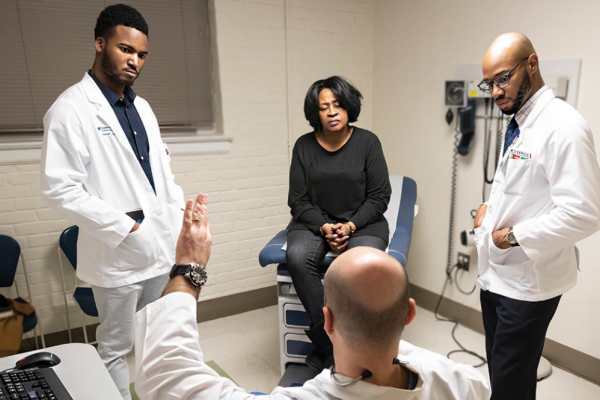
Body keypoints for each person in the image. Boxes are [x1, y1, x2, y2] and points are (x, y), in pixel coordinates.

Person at [133, 193, 491, 399]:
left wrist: (188, 269)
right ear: (410, 314)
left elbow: (167, 376)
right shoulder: (461, 383)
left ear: (327, 319)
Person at [40, 4, 185, 399]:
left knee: (158, 338)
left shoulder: (143, 108)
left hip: (159, 248)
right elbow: (61, 190)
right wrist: (127, 226)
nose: (134, 61)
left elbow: (162, 177)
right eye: (125, 50)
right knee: (116, 348)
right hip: (116, 254)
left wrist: (180, 221)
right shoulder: (70, 110)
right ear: (100, 44)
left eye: (141, 54)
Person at [474, 32, 600, 400]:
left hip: (527, 285)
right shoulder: (520, 121)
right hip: (497, 276)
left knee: (510, 384)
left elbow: (585, 213)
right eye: (489, 83)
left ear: (532, 64)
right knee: (503, 376)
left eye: (503, 78)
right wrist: (488, 211)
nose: (496, 91)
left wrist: (512, 236)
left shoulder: (564, 127)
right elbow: (525, 187)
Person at [286, 76, 392, 371]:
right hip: (314, 221)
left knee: (361, 267)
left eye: (338, 105)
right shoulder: (304, 146)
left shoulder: (367, 142)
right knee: (296, 257)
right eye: (324, 107)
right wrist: (323, 226)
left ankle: (361, 342)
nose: (332, 112)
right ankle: (333, 344)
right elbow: (297, 199)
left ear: (348, 108)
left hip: (363, 222)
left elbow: (380, 195)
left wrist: (350, 226)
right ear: (315, 113)